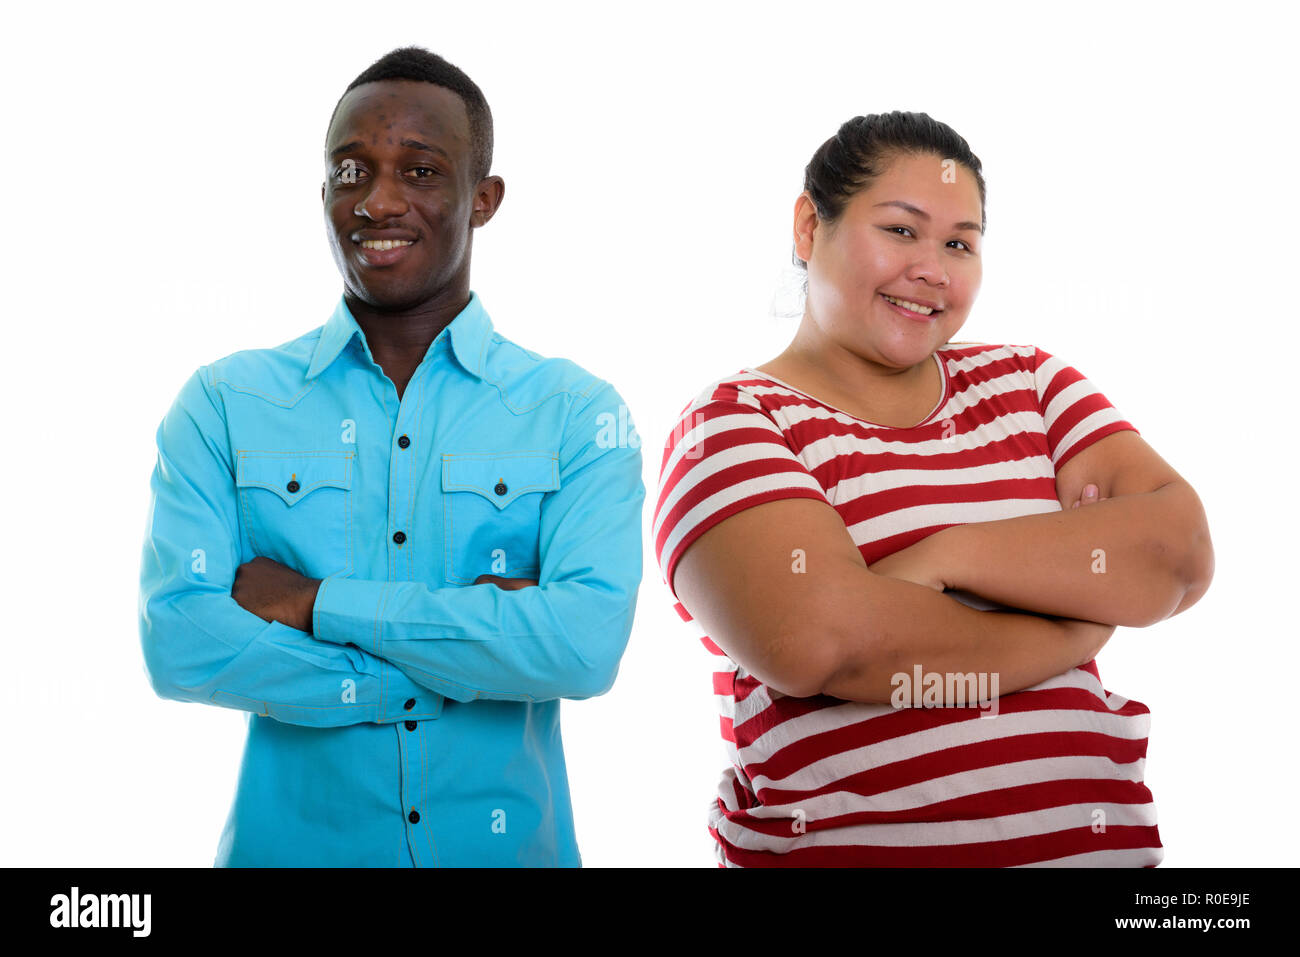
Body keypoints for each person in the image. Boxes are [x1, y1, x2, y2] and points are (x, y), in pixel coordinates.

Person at [652, 111, 1214, 867]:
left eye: (960, 243)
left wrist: (951, 555)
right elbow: (823, 643)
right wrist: (1067, 625)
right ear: (809, 227)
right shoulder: (731, 423)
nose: (933, 269)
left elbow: (1177, 555)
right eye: (901, 230)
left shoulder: (1031, 383)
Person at [138, 46, 644, 867]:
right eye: (350, 171)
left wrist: (315, 603)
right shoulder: (224, 404)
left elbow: (581, 648)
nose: (378, 201)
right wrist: (467, 654)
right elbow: (182, 643)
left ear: (483, 199)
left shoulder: (576, 414)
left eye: (420, 171)